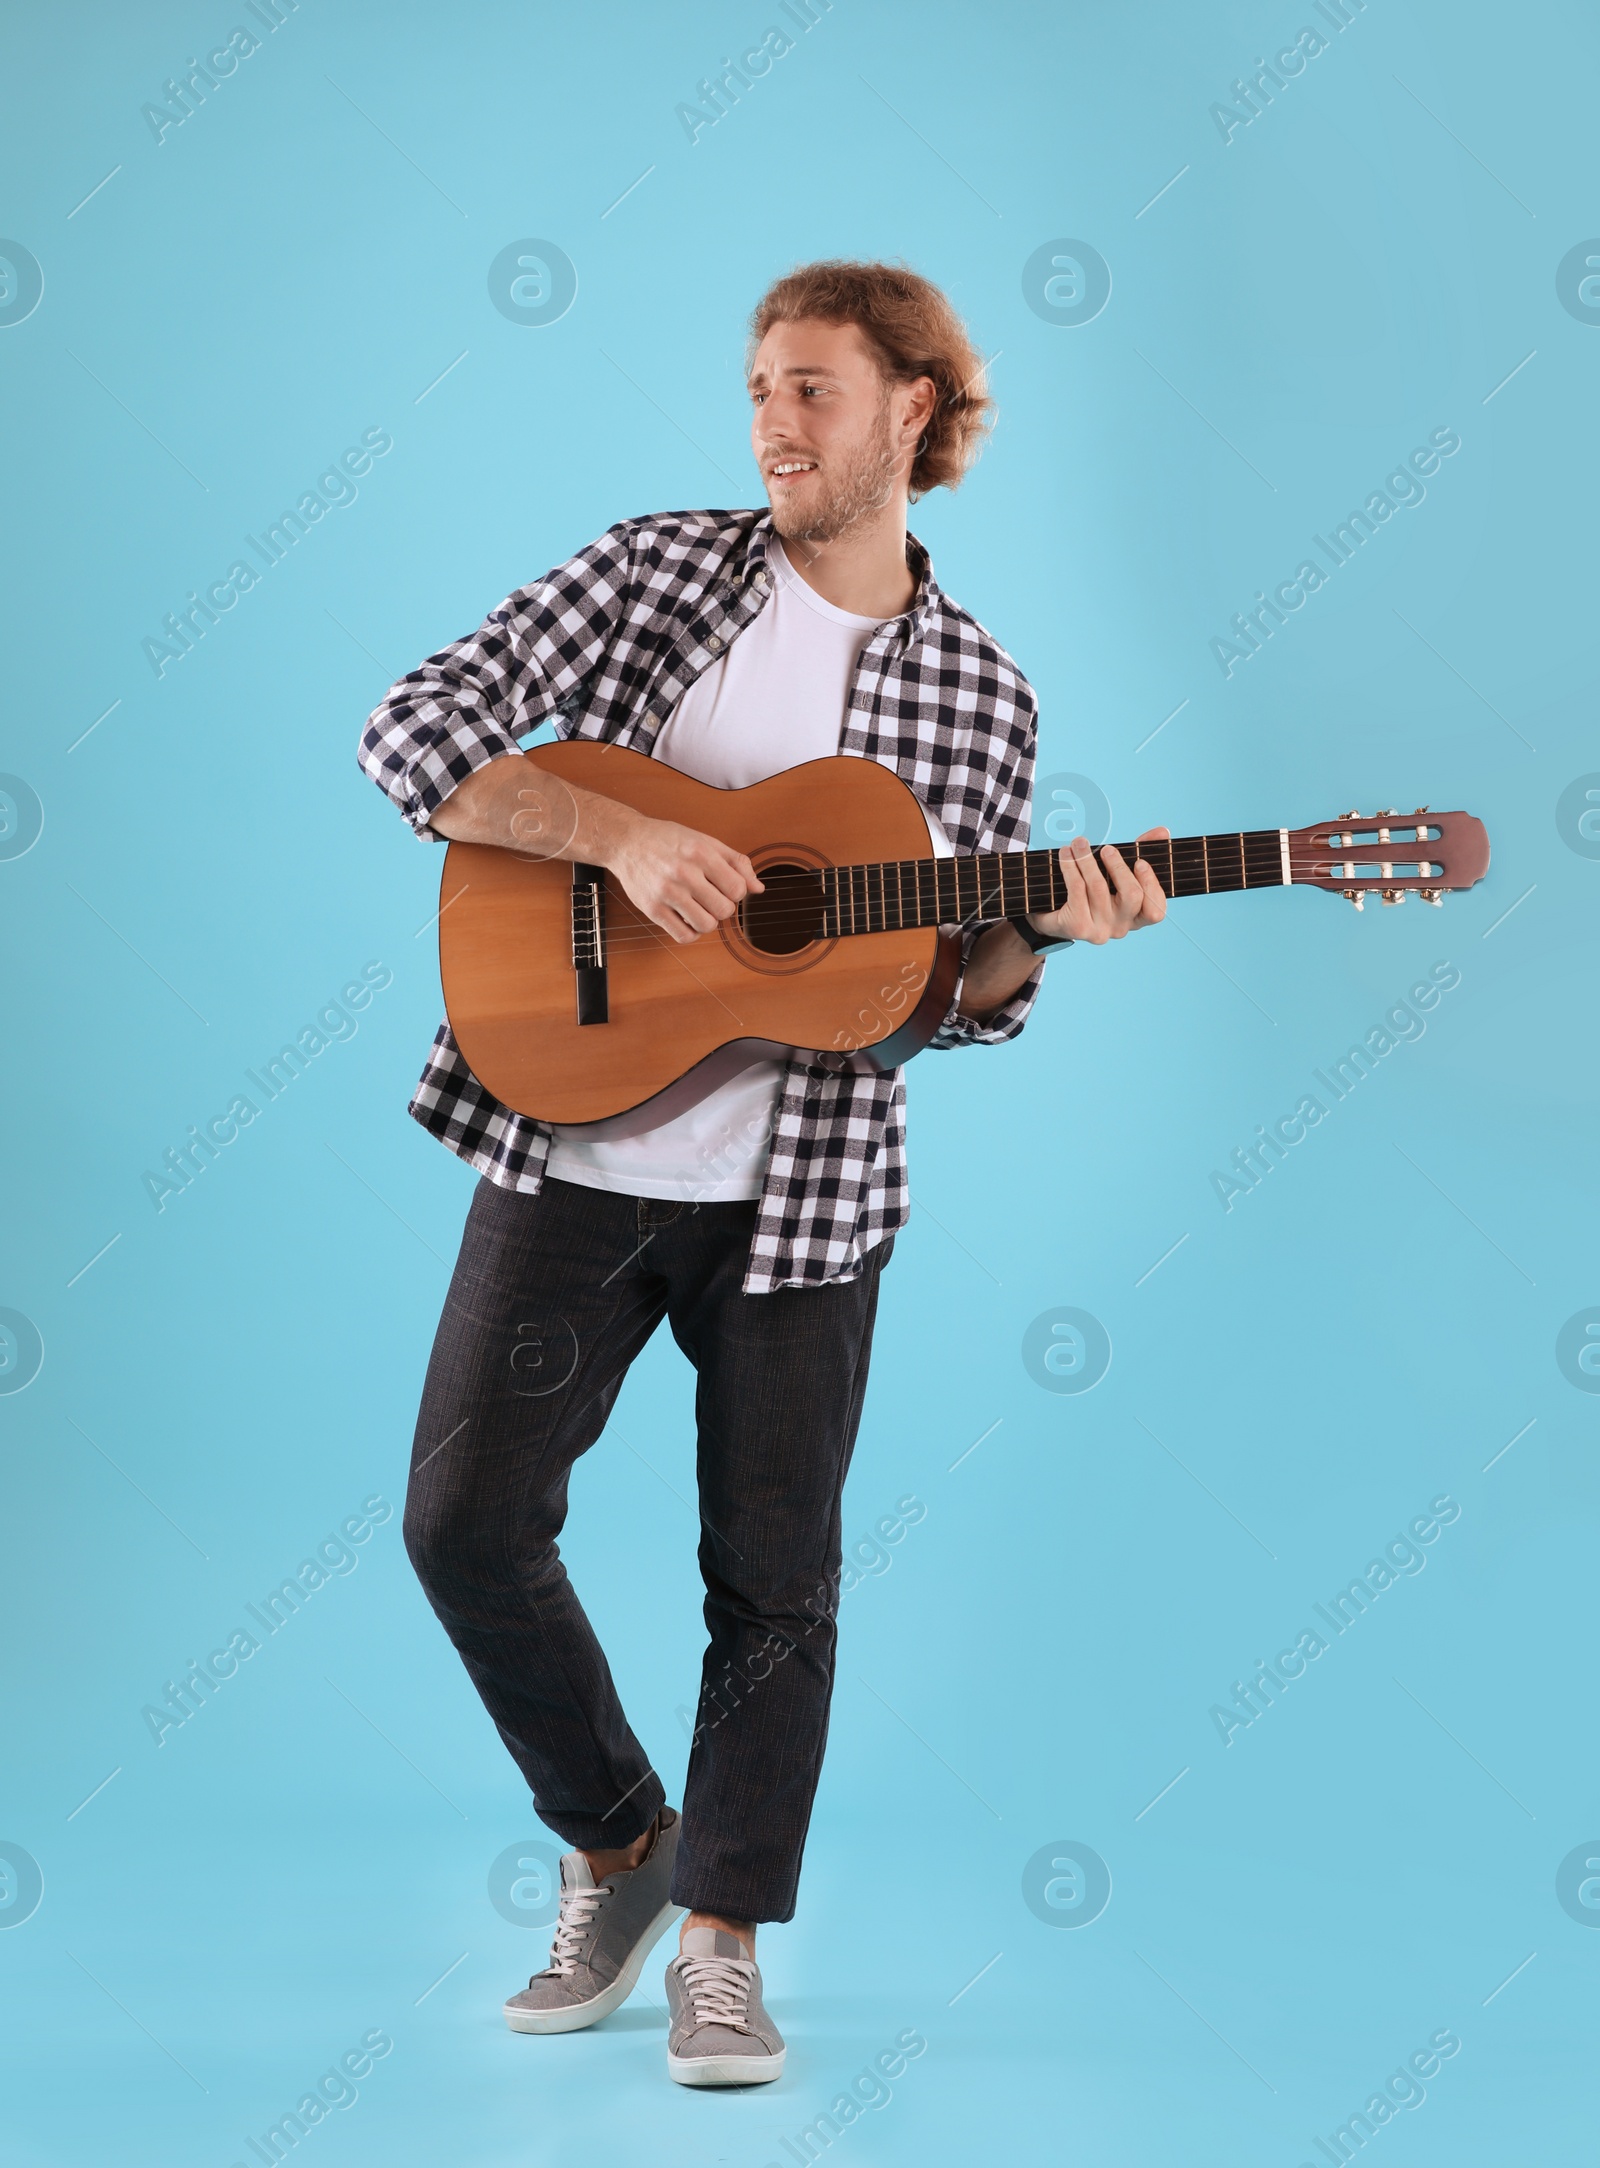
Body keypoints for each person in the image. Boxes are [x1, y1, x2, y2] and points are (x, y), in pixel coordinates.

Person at [358, 259, 1166, 2088]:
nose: (772, 426)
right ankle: (622, 1842)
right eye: (758, 392)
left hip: (805, 1199)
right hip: (576, 1136)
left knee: (775, 1584)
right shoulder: (659, 572)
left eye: (812, 391)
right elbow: (412, 732)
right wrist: (627, 836)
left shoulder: (980, 690)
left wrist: (1039, 937)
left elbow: (924, 1001)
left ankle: (720, 1940)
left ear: (914, 413)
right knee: (461, 1521)